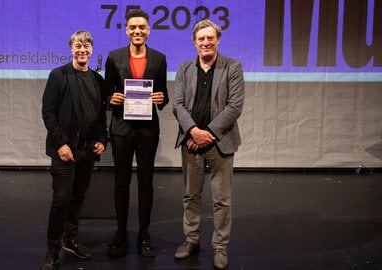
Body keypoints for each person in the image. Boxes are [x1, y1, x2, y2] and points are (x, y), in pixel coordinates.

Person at [172, 19, 245, 270]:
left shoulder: (232, 67)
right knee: (190, 196)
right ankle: (191, 240)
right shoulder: (184, 69)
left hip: (220, 144)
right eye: (201, 39)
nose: (206, 42)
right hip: (191, 143)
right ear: (194, 42)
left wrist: (207, 134)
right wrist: (193, 131)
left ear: (218, 40)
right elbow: (178, 105)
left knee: (221, 200)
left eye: (210, 38)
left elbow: (234, 106)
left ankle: (220, 247)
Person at [104, 9, 169, 258]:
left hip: (147, 131)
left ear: (149, 30)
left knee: (145, 184)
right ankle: (121, 231)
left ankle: (144, 232)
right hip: (121, 129)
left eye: (142, 27)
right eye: (133, 27)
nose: (137, 31)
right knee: (121, 183)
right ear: (127, 30)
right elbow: (106, 93)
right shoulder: (114, 57)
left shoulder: (159, 59)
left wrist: (162, 99)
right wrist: (113, 98)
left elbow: (162, 95)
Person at [40, 30, 107, 270]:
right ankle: (51, 250)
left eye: (86, 46)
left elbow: (100, 116)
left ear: (91, 50)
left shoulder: (98, 80)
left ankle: (70, 240)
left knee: (77, 199)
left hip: (87, 152)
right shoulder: (58, 76)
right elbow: (48, 113)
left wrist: (102, 139)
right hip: (64, 152)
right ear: (71, 49)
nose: (82, 50)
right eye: (78, 46)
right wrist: (60, 143)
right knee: (61, 201)